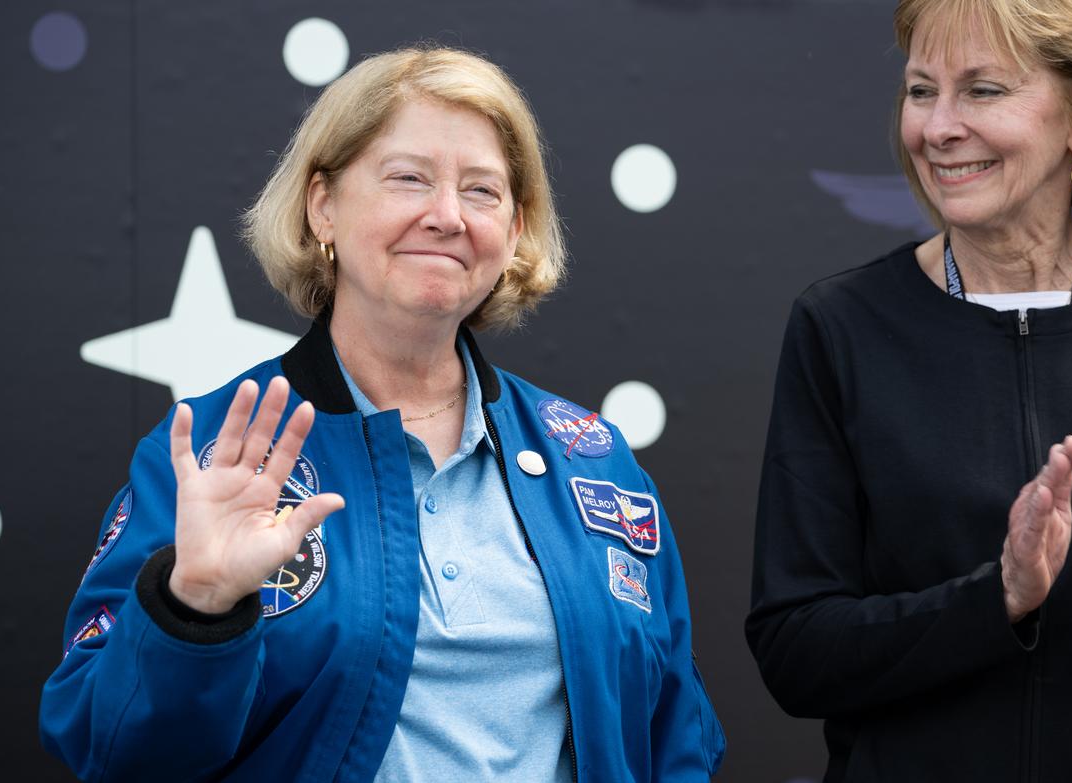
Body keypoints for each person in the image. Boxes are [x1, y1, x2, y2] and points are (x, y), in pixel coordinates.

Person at [41, 47, 724, 782]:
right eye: (409, 178)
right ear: (322, 203)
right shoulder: (216, 452)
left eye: (483, 191)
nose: (447, 216)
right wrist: (197, 607)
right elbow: (105, 748)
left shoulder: (593, 457)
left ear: (516, 228)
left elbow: (675, 734)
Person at [745, 0, 1072, 780]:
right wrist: (998, 598)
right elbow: (797, 650)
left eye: (983, 91)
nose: (938, 128)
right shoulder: (842, 325)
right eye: (922, 91)